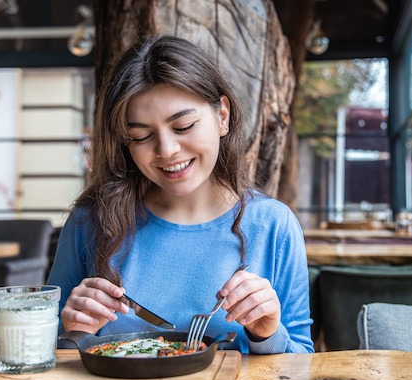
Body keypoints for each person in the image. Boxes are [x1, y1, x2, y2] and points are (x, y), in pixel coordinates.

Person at [47, 34, 314, 354]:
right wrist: (71, 333)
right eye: (141, 136)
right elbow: (42, 354)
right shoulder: (90, 220)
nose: (167, 150)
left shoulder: (273, 224)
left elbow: (301, 364)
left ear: (222, 116)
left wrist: (266, 334)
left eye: (184, 126)